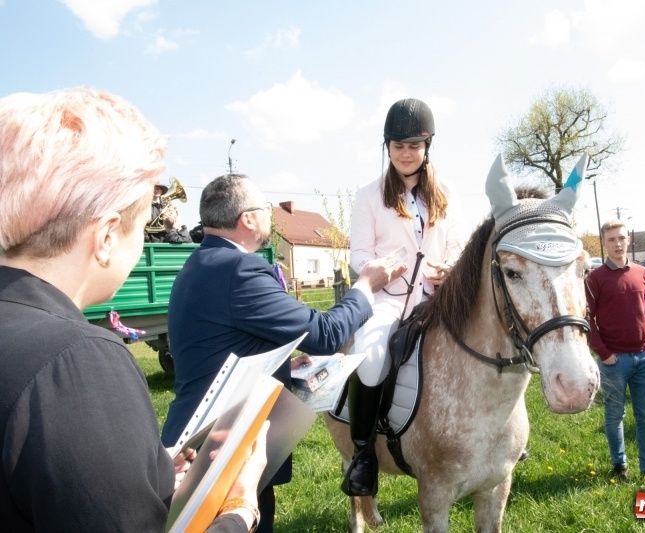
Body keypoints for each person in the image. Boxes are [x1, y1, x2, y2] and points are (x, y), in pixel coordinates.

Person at [0, 87, 266, 532]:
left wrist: (147, 468)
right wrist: (240, 509)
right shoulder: (77, 362)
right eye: (142, 225)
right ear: (106, 236)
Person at [161, 173, 405, 532]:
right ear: (247, 218)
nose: (270, 218)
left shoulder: (202, 263)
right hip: (220, 452)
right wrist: (366, 286)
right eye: (265, 209)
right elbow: (324, 334)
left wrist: (280, 363)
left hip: (195, 443)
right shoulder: (239, 269)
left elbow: (218, 345)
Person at [343, 98, 466, 497]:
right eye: (398, 146)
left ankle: (499, 437)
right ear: (388, 148)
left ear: (427, 147)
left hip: (436, 298)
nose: (406, 154)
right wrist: (381, 266)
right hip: (389, 298)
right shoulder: (369, 195)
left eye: (414, 146)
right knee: (373, 356)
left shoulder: (446, 193)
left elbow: (459, 245)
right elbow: (358, 253)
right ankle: (363, 455)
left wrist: (450, 266)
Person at [585, 220, 645, 490]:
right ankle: (619, 465)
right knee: (614, 415)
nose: (618, 244)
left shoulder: (642, 272)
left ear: (629, 239)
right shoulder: (594, 279)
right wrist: (605, 353)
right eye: (611, 240)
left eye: (621, 238)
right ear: (604, 243)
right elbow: (586, 319)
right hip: (614, 362)